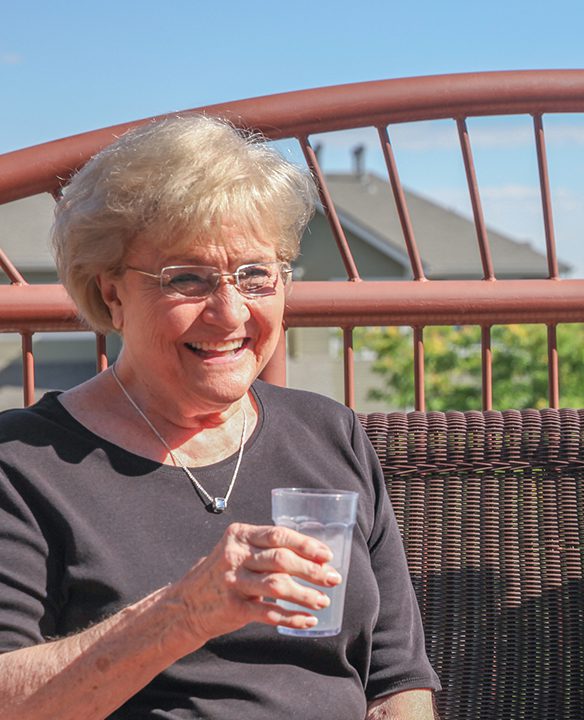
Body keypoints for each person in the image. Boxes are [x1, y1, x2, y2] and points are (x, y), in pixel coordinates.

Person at [0, 116, 440, 719]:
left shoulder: (328, 434)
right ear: (112, 294)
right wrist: (184, 613)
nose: (230, 313)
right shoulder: (23, 465)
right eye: (187, 279)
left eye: (255, 275)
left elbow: (395, 680)